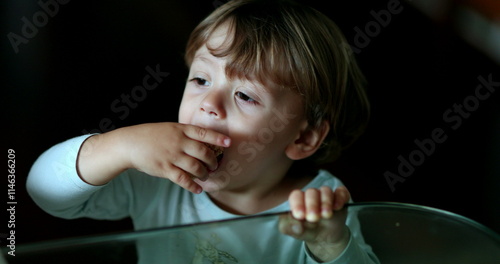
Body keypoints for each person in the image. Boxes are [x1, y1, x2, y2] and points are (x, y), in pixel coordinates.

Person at [27, 0, 379, 263]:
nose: (209, 103)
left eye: (245, 95)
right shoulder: (157, 176)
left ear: (303, 137)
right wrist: (119, 147)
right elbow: (42, 190)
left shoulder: (320, 206)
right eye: (200, 79)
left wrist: (331, 244)